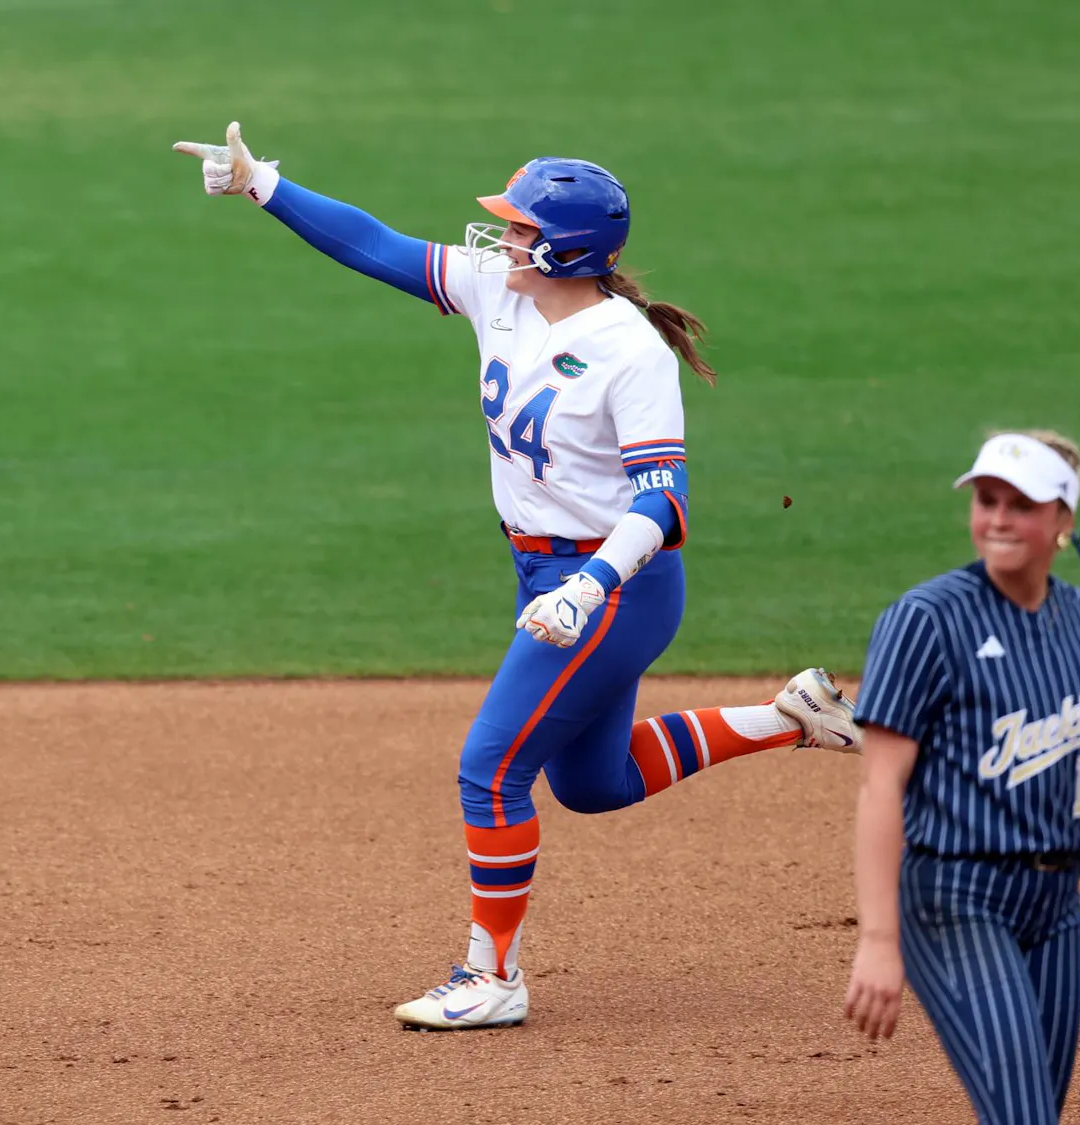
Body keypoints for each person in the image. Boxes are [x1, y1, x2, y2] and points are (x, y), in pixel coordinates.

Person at [174, 122, 861, 1030]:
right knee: (594, 782)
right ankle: (785, 718)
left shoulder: (630, 352)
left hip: (615, 588)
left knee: (490, 769)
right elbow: (376, 246)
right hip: (544, 576)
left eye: (519, 226)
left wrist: (590, 588)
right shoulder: (503, 292)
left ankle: (491, 975)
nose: (500, 238)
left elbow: (665, 501)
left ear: (569, 248)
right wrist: (265, 186)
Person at [843, 430, 1080, 1122]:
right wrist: (879, 939)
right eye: (987, 500)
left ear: (1063, 521)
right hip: (955, 897)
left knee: (1030, 1108)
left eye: (1023, 504)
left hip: (1055, 906)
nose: (1000, 518)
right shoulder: (925, 620)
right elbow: (880, 784)